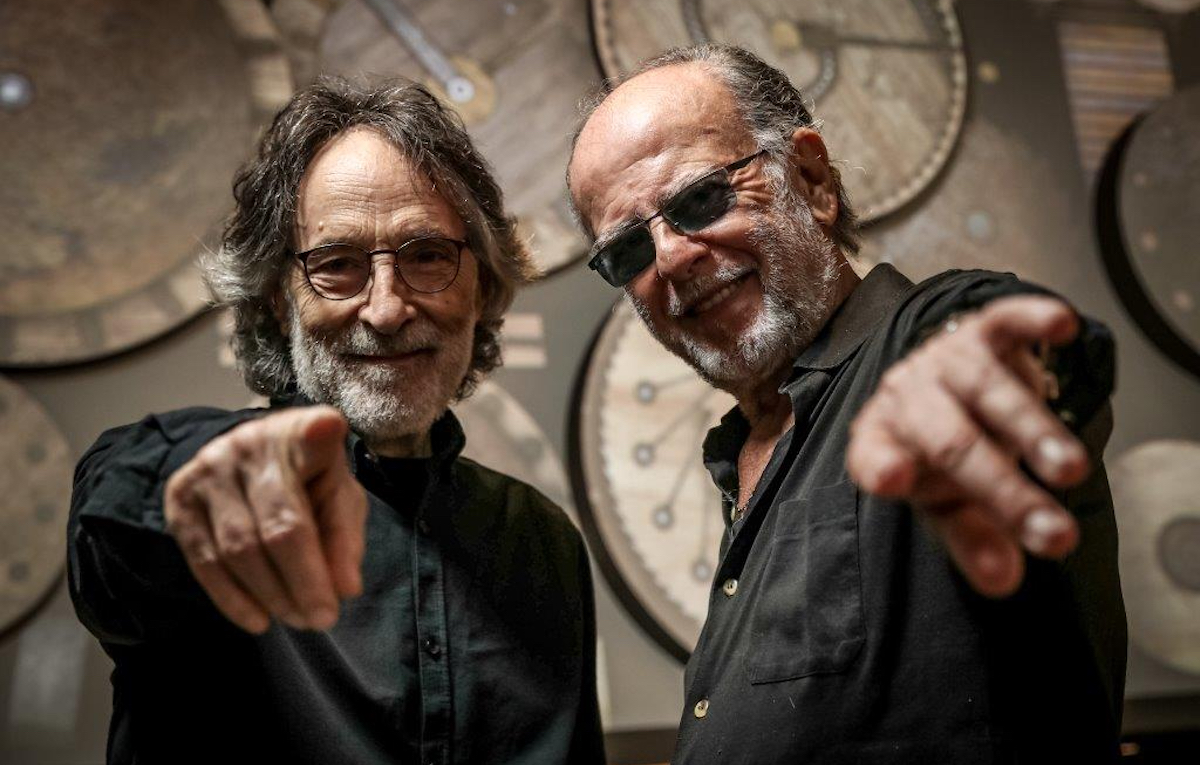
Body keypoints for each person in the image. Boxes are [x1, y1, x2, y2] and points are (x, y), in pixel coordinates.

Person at [567, 44, 1125, 763]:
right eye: (627, 252)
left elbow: (1013, 349)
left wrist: (990, 377)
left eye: (700, 199)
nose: (671, 257)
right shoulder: (744, 451)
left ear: (811, 180)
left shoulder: (924, 343)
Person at [68, 78, 604, 765]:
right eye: (337, 265)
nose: (386, 309)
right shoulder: (210, 509)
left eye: (427, 256)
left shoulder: (544, 543)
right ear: (277, 300)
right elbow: (112, 518)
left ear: (483, 286)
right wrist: (198, 478)